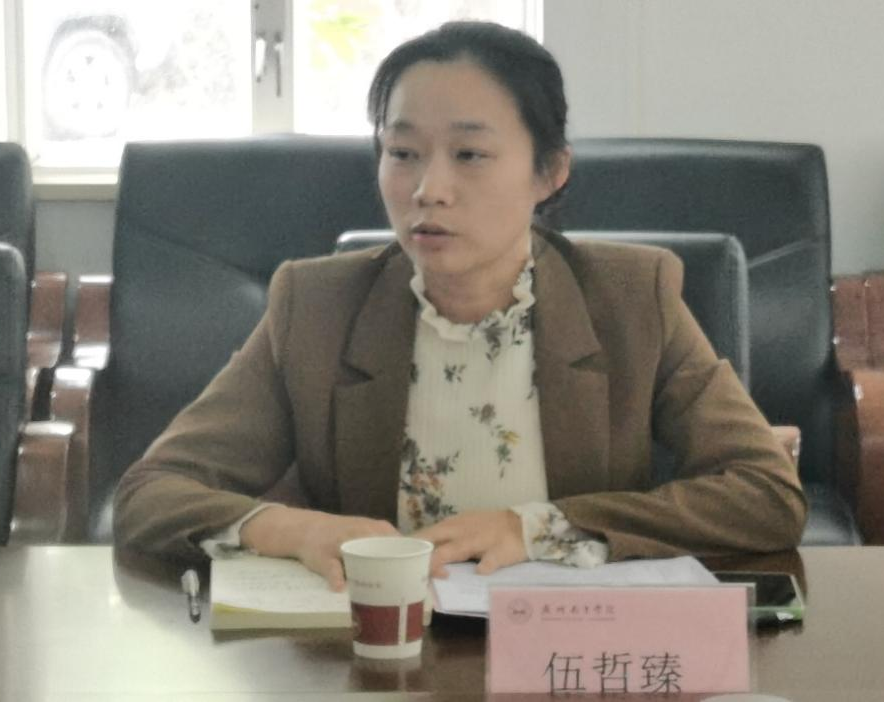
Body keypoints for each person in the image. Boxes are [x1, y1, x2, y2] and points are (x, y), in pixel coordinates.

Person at [113, 21, 806, 589]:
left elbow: (766, 493)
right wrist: (293, 530)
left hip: (564, 657)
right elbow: (152, 492)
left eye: (470, 154)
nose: (429, 189)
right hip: (381, 655)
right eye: (402, 152)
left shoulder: (632, 300)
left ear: (550, 171)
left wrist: (538, 529)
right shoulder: (316, 306)